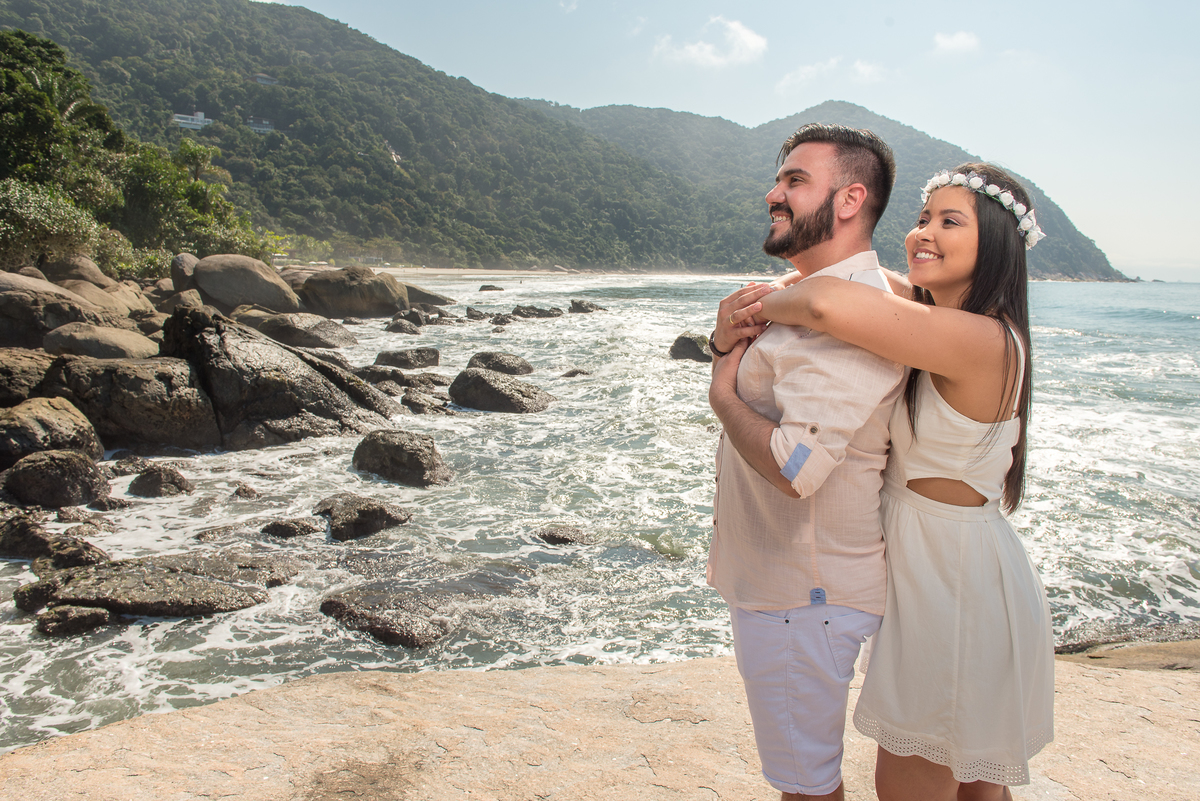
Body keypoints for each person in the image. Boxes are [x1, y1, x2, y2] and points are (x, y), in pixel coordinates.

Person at [724, 162, 1056, 800]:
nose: (924, 232)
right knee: (975, 781)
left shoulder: (982, 339)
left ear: (996, 245)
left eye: (950, 221)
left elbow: (825, 300)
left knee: (915, 783)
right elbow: (856, 287)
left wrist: (750, 309)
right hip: (945, 565)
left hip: (950, 581)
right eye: (924, 217)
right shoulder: (939, 319)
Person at [706, 122, 906, 801]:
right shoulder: (814, 298)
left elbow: (797, 468)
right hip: (795, 588)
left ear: (849, 200)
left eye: (795, 180)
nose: (774, 193)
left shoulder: (856, 318)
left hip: (805, 594)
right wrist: (720, 338)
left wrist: (721, 391)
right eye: (779, 177)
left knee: (807, 789)